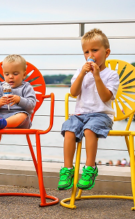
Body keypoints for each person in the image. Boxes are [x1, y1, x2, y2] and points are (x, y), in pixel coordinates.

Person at [57, 29, 120, 191]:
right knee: (69, 129)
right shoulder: (80, 72)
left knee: (89, 129)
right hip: (80, 115)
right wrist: (82, 75)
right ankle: (67, 170)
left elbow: (106, 97)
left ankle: (90, 168)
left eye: (94, 50)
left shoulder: (111, 75)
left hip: (101, 115)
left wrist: (97, 76)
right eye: (86, 52)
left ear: (106, 53)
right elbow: (73, 92)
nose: (90, 55)